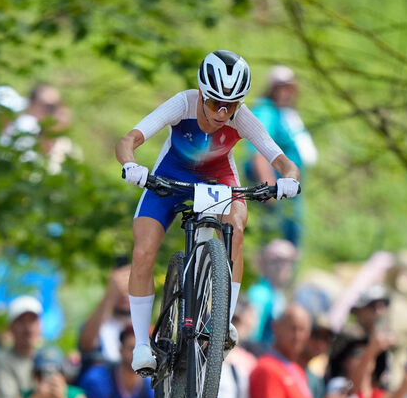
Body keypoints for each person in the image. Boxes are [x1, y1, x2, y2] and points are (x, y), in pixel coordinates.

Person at [116, 50, 301, 375]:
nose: (223, 113)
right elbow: (129, 139)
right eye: (216, 103)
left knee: (237, 226)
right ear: (201, 93)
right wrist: (131, 164)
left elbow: (283, 161)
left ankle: (222, 322)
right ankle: (143, 346)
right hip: (170, 177)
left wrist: (289, 180)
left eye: (232, 105)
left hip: (219, 179)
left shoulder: (240, 116)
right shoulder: (182, 103)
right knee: (144, 250)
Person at [244, 66, 317, 247]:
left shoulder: (286, 113)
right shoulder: (267, 111)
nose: (286, 93)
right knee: (274, 246)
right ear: (272, 89)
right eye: (281, 88)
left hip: (288, 194)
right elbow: (259, 151)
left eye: (290, 88)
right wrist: (268, 190)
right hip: (275, 194)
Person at [249, 304, 346, 398]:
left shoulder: (294, 367)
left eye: (303, 330)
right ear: (275, 327)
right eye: (293, 329)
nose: (298, 336)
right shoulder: (267, 367)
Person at [79, 330, 155, 398]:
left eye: (144, 349)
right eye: (132, 349)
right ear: (120, 350)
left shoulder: (147, 384)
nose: (139, 354)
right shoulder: (98, 380)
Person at [326, 333, 390, 398]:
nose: (364, 357)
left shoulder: (381, 396)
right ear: (345, 362)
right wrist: (370, 352)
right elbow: (352, 389)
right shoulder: (337, 384)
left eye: (370, 355)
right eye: (358, 353)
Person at [76, 263, 132, 369]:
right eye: (120, 288)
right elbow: (85, 344)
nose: (124, 293)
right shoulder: (100, 326)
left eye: (131, 286)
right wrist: (109, 295)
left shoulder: (148, 330)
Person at [245, 239, 298, 349]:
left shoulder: (278, 296)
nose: (287, 268)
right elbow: (251, 336)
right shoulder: (260, 294)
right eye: (281, 262)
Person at [341, 285, 392, 389]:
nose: (379, 311)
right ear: (360, 309)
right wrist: (371, 350)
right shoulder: (348, 336)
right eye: (374, 305)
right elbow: (348, 384)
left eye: (383, 305)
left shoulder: (384, 341)